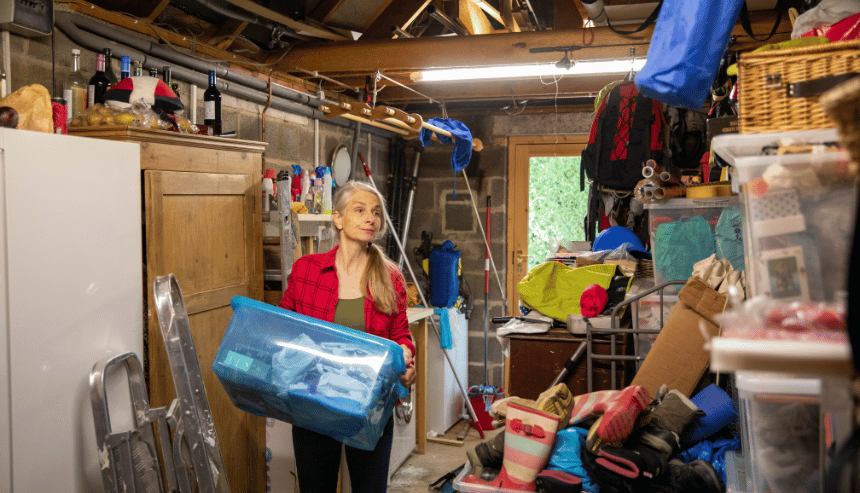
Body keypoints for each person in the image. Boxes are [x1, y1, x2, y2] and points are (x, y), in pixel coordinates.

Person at [280, 179, 417, 493]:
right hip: (314, 403)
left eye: (376, 212)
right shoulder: (306, 270)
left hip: (371, 406)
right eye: (360, 210)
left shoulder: (391, 277)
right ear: (338, 219)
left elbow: (401, 335)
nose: (371, 218)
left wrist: (406, 359)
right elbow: (286, 328)